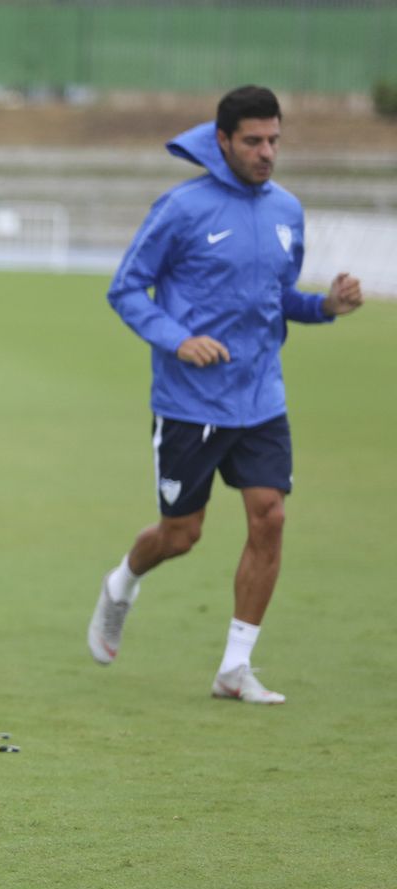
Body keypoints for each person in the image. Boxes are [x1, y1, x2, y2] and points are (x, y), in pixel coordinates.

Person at [89, 85, 363, 703]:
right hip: (190, 403)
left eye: (274, 140)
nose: (267, 152)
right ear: (222, 141)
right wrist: (179, 338)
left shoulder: (287, 210)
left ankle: (234, 669)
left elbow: (278, 298)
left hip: (262, 398)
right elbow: (127, 290)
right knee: (181, 534)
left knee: (271, 516)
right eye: (253, 141)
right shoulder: (181, 209)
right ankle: (122, 582)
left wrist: (326, 305)